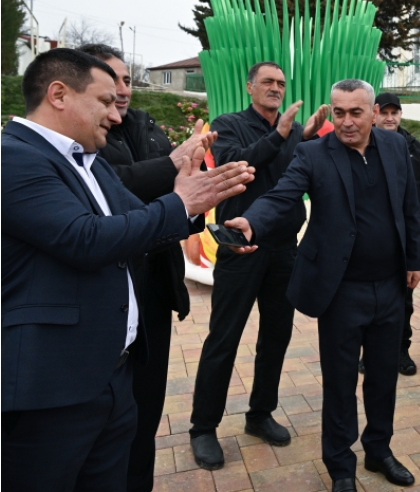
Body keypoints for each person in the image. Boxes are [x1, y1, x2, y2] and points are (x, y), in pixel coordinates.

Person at [2, 49, 253, 492]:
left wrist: (196, 210)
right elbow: (85, 239)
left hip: (114, 375)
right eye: (104, 101)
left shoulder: (88, 161)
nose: (116, 115)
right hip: (53, 387)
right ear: (58, 94)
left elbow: (137, 224)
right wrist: (180, 203)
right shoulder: (15, 158)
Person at [225, 79, 420, 491]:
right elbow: (282, 196)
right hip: (340, 290)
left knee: (383, 377)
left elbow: (410, 205)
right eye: (339, 112)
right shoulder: (313, 153)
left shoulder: (394, 147)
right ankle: (340, 466)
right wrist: (252, 221)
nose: (347, 121)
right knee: (340, 382)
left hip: (390, 286)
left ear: (373, 113)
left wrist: (414, 260)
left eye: (356, 112)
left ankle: (379, 450)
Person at [78, 44, 212, 492]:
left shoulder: (146, 127)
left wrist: (193, 198)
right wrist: (174, 171)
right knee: (101, 424)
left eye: (126, 80)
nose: (121, 90)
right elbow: (118, 191)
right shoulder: (82, 141)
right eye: (110, 81)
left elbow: (181, 189)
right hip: (110, 295)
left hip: (154, 289)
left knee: (146, 410)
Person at [188, 61, 329, 470]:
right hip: (240, 248)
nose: (275, 88)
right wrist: (282, 134)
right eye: (267, 81)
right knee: (224, 338)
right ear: (250, 86)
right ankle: (203, 427)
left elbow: (295, 176)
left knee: (276, 336)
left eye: (281, 83)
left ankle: (260, 413)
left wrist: (303, 136)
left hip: (283, 248)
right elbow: (239, 166)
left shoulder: (293, 130)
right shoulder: (229, 124)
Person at [372, 92, 420, 376]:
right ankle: (371, 352)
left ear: (400, 114)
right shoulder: (363, 145)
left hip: (405, 236)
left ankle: (401, 350)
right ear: (374, 114)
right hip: (373, 235)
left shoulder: (414, 148)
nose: (389, 118)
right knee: (370, 298)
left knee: (403, 298)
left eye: (394, 113)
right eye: (384, 113)